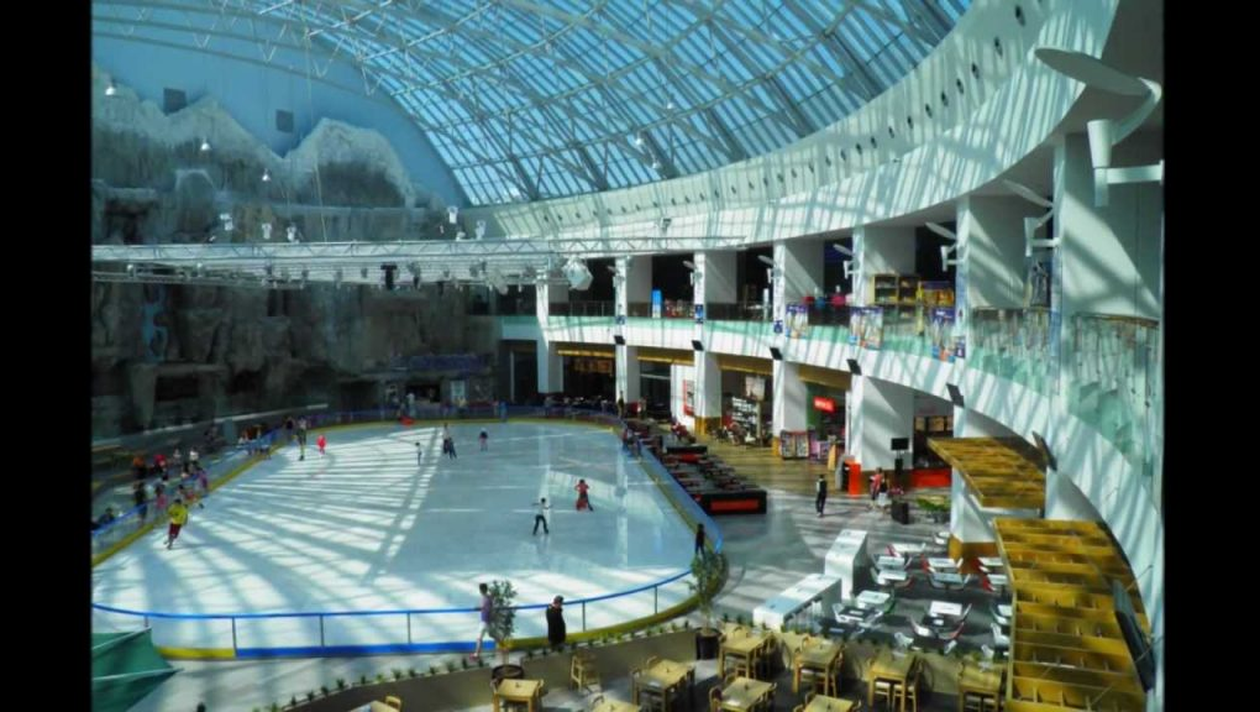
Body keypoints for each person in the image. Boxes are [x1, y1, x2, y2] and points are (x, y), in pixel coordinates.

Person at [471, 582, 492, 661]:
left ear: (482, 590)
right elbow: (486, 607)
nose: (480, 591)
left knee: (479, 638)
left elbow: (485, 607)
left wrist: (478, 608)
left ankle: (476, 655)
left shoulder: (486, 598)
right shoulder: (488, 597)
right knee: (492, 635)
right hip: (487, 620)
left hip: (485, 621)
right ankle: (504, 646)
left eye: (480, 590)